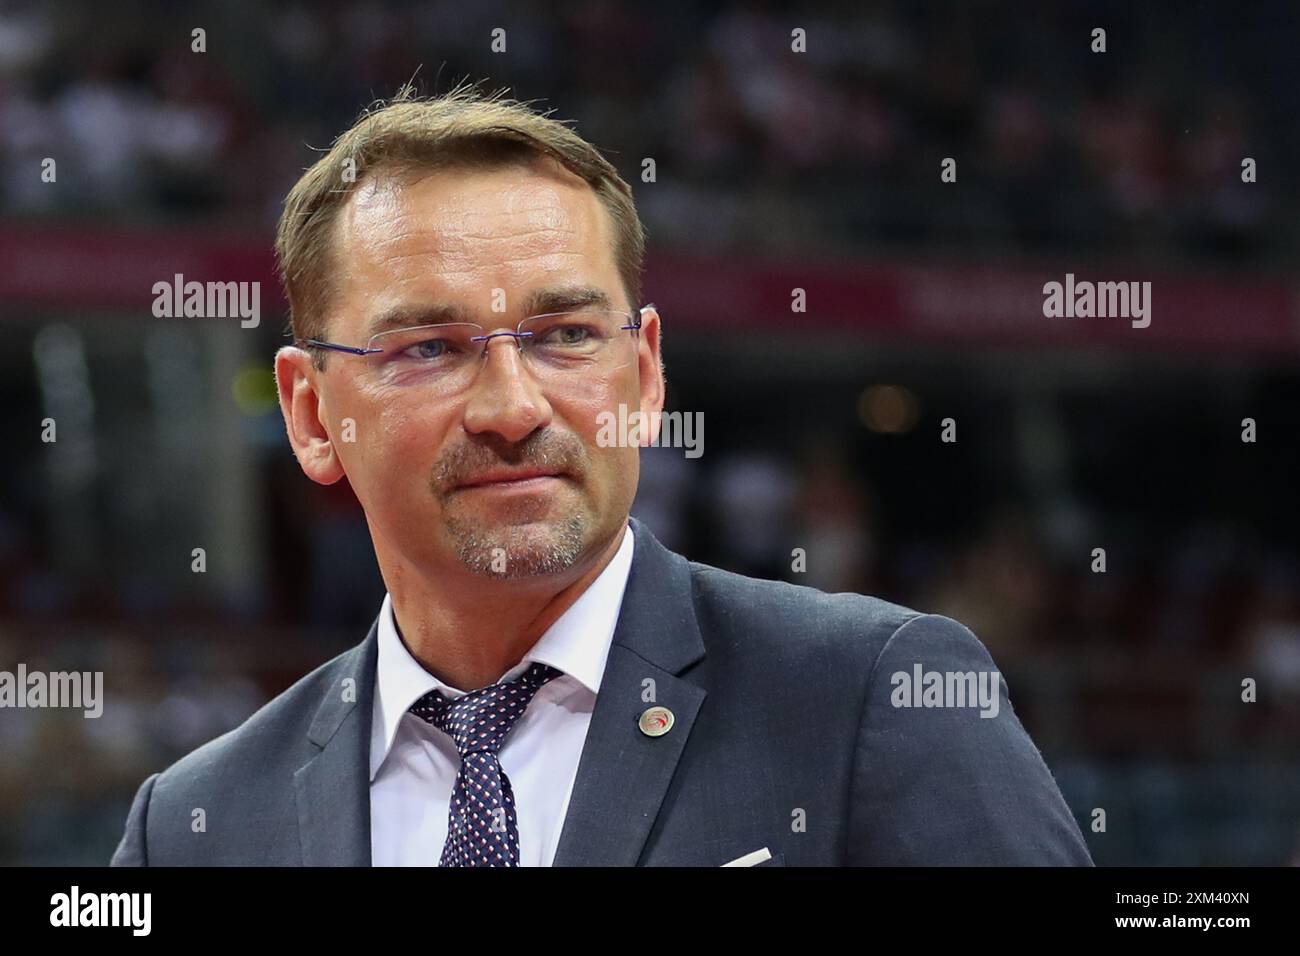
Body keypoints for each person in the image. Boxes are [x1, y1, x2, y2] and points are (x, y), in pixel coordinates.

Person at [111, 81, 1092, 866]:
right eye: (427, 347)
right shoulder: (196, 824)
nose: (511, 406)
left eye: (566, 335)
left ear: (647, 370)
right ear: (312, 413)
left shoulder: (871, 700)